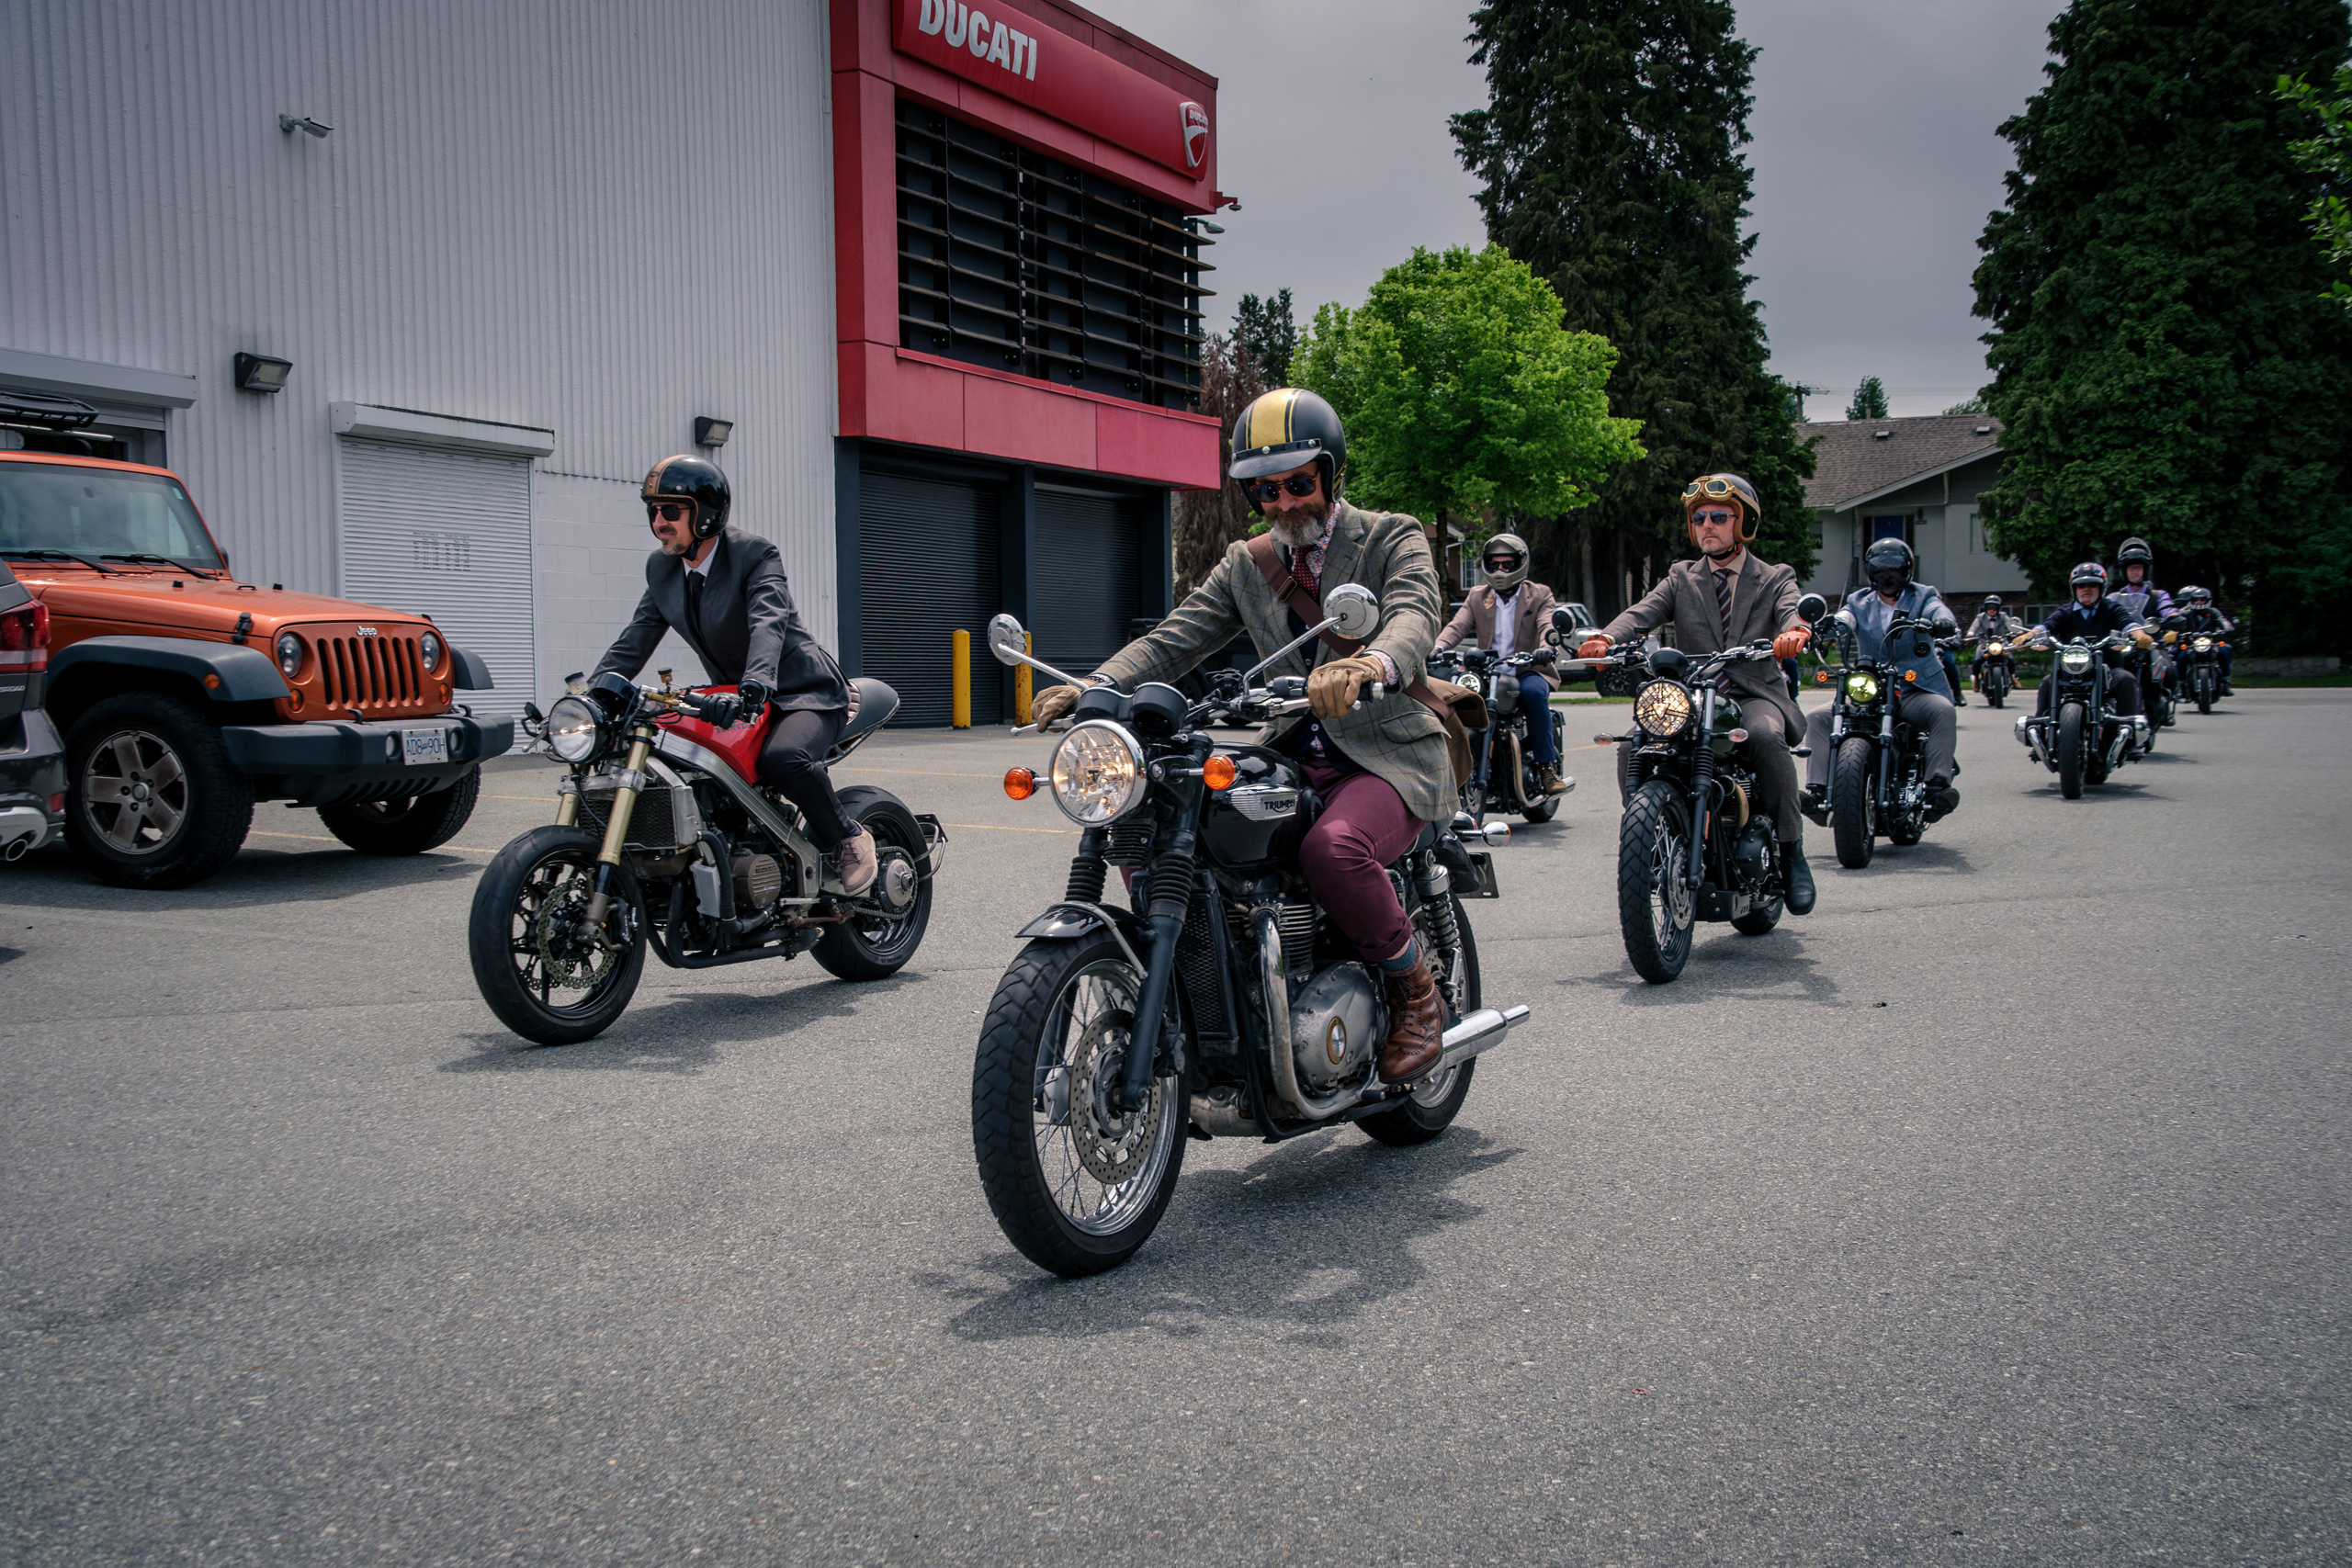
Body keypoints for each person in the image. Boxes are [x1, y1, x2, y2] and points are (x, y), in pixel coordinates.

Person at [1029, 389, 1453, 1083]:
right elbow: (1175, 639)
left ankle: (1415, 990)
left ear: (1332, 474)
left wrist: (1373, 661)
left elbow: (1412, 613)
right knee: (1169, 823)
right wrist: (1093, 687)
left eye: (1297, 483)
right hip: (1292, 749)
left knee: (1334, 849)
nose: (1284, 502)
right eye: (1265, 490)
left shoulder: (1390, 536)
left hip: (1389, 753)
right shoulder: (1248, 564)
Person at [594, 455, 875, 894]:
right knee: (676, 757)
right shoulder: (663, 568)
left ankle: (848, 837)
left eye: (671, 510)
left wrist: (756, 684)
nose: (659, 521)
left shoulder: (752, 553)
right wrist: (595, 695)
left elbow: (769, 620)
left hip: (800, 692)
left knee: (783, 759)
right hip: (733, 695)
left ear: (705, 515)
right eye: (653, 510)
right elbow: (637, 637)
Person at [1577, 472, 1816, 914]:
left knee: (1765, 738)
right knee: (1634, 745)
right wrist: (1605, 639)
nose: (1707, 525)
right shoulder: (1680, 577)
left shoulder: (1775, 577)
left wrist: (1796, 630)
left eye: (1719, 517)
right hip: (1691, 696)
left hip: (1752, 694)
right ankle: (1649, 836)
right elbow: (1642, 611)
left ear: (1743, 523)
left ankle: (1791, 852)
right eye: (1699, 517)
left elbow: (1790, 609)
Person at [1800, 538, 1962, 824]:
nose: (1887, 576)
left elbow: (1939, 610)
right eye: (1880, 571)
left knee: (1943, 710)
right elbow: (1845, 618)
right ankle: (1817, 790)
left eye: (1894, 570)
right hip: (1870, 688)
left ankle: (1936, 786)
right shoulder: (1858, 601)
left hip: (1914, 688)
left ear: (1906, 571)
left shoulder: (1924, 596)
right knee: (1818, 717)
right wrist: (1830, 626)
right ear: (1870, 573)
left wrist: (1944, 623)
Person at [1434, 532, 1569, 795]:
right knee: (1456, 697)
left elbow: (1546, 623)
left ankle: (1545, 767)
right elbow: (1457, 626)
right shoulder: (1477, 595)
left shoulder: (1539, 594)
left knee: (1532, 694)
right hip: (1489, 672)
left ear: (1520, 564)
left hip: (1528, 669)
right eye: (1494, 564)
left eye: (1507, 564)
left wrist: (1545, 647)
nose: (1500, 569)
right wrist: (1437, 647)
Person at [2028, 562, 2143, 719]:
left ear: (2101, 588)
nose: (2086, 589)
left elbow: (2128, 623)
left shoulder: (2111, 608)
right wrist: (2028, 636)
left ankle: (2129, 729)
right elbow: (2047, 626)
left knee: (2126, 679)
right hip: (2071, 672)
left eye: (2093, 585)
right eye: (2081, 585)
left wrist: (2140, 635)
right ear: (2074, 589)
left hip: (2108, 671)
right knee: (2049, 682)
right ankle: (2042, 727)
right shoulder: (2065, 612)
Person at [2109, 536, 2176, 716]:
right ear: (2124, 571)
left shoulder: (2157, 595)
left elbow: (2168, 609)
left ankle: (2165, 704)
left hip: (2153, 644)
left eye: (2138, 568)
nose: (2135, 572)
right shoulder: (2115, 597)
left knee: (2168, 670)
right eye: (2131, 568)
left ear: (2146, 569)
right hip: (2123, 644)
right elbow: (2102, 610)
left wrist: (2174, 617)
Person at [2173, 585, 2235, 694]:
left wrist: (2227, 628)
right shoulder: (2185, 613)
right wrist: (2175, 633)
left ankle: (2226, 682)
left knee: (2225, 651)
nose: (2199, 602)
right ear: (2191, 601)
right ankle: (2181, 685)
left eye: (2202, 599)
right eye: (2196, 600)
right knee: (2180, 657)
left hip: (2211, 643)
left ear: (2208, 600)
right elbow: (2177, 624)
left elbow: (2222, 620)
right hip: (2190, 644)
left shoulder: (2213, 612)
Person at [1966, 594, 2026, 689]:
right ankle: (1976, 680)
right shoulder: (1980, 617)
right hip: (1984, 643)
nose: (1992, 609)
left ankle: (2012, 677)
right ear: (1986, 608)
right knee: (1977, 661)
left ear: (1998, 608)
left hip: (2000, 643)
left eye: (1994, 607)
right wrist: (1970, 633)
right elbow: (1974, 627)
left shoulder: (2003, 616)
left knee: (2010, 659)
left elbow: (2010, 625)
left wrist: (2017, 631)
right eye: (1989, 607)